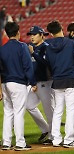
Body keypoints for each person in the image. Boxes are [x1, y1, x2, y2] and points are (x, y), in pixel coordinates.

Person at [46, 20, 74, 148]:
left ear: (50, 33)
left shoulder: (48, 47)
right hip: (71, 79)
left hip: (57, 80)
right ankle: (69, 140)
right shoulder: (71, 43)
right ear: (61, 28)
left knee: (58, 110)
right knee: (71, 110)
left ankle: (56, 139)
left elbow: (48, 64)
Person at [0, 21, 37, 151]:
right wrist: (32, 82)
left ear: (6, 33)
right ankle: (20, 143)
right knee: (18, 113)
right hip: (18, 84)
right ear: (18, 32)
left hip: (5, 84)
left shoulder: (2, 49)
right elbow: (28, 66)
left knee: (8, 112)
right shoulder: (22, 46)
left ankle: (6, 142)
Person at [26, 26, 54, 144]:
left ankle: (54, 136)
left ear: (42, 35)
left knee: (49, 111)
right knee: (29, 105)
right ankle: (46, 129)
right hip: (36, 83)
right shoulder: (33, 48)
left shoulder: (46, 47)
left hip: (46, 82)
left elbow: (46, 64)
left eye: (35, 34)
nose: (32, 36)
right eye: (31, 34)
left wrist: (33, 54)